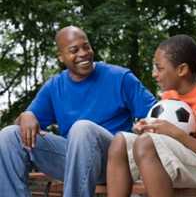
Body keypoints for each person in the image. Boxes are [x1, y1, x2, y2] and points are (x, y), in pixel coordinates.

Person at [0, 26, 156, 197]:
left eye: (86, 46)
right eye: (74, 50)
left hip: (115, 163)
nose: (83, 53)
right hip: (74, 163)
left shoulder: (120, 77)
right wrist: (27, 115)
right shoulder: (54, 86)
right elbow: (26, 131)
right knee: (8, 135)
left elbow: (156, 115)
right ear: (61, 57)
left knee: (83, 129)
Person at [107, 35, 196, 197]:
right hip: (182, 163)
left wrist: (176, 134)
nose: (155, 74)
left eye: (160, 68)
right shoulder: (169, 96)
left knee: (146, 144)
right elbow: (164, 142)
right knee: (120, 141)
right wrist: (148, 128)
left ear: (182, 70)